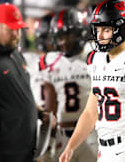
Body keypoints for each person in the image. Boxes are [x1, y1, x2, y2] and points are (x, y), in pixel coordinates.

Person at [59, 0, 125, 162]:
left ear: (123, 28)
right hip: (103, 148)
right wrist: (71, 147)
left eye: (106, 29)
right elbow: (90, 113)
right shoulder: (96, 59)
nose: (99, 35)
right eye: (98, 29)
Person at [40, 8, 97, 162]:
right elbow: (50, 106)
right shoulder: (50, 60)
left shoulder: (95, 54)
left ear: (80, 33)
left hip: (91, 132)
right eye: (60, 38)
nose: (63, 42)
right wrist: (48, 138)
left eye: (68, 36)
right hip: (62, 132)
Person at [0, 3, 37, 161]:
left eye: (18, 29)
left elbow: (16, 95)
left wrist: (38, 111)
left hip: (25, 152)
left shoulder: (15, 54)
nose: (17, 34)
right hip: (4, 156)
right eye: (11, 29)